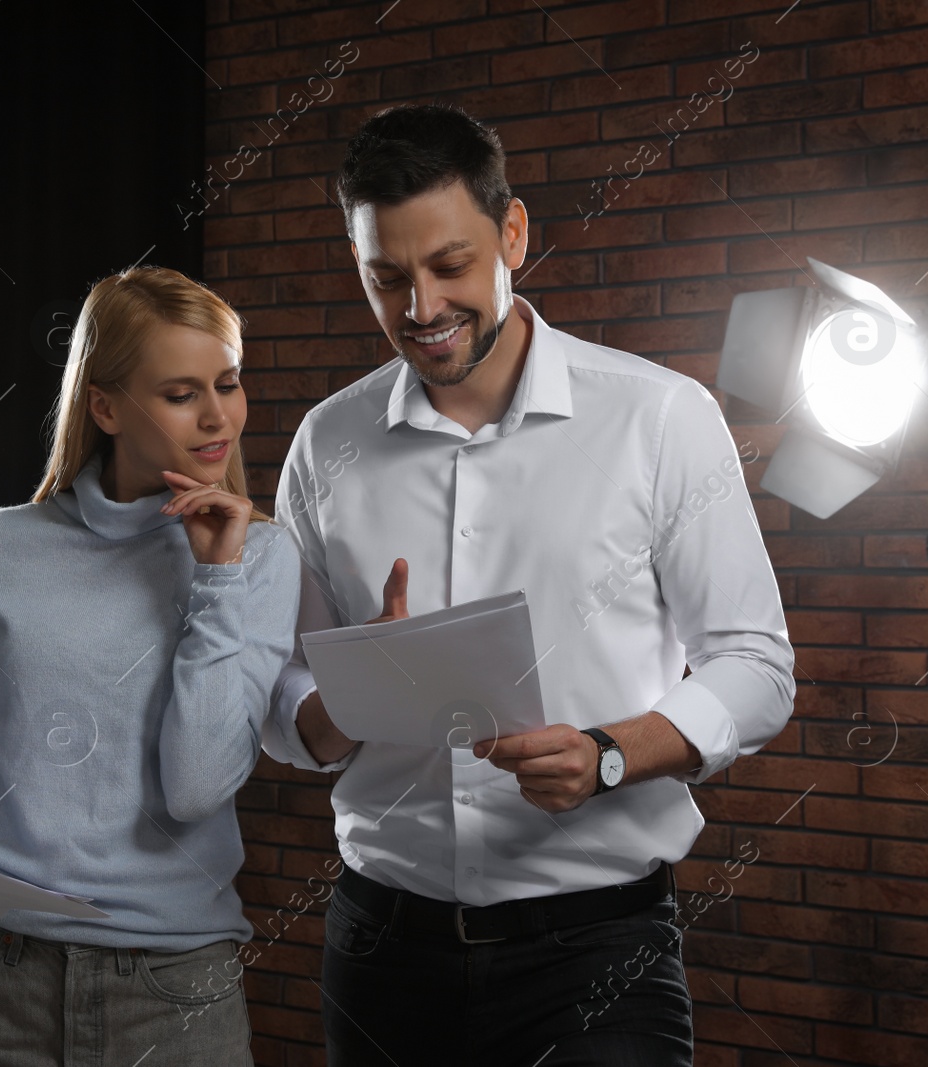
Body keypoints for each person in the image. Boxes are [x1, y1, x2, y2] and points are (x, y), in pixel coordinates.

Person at [262, 104, 796, 1066]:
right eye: (387, 277)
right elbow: (286, 695)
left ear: (513, 234)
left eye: (450, 265)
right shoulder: (324, 445)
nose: (420, 308)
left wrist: (609, 753)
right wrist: (350, 692)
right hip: (382, 955)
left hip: (597, 956)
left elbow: (755, 666)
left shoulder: (661, 419)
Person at [0, 265, 301, 1067]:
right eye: (182, 393)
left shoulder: (262, 556)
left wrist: (216, 578)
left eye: (229, 382)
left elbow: (195, 787)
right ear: (105, 406)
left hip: (174, 996)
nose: (219, 416)